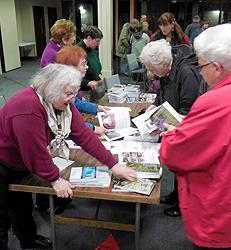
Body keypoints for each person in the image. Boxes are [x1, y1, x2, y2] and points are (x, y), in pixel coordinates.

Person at [0, 64, 136, 250]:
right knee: (1, 220)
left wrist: (113, 165)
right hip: (3, 163)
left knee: (21, 206)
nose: (72, 99)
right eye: (68, 94)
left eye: (74, 93)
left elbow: (84, 136)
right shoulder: (28, 108)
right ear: (50, 90)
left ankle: (28, 240)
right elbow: (35, 152)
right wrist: (55, 179)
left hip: (19, 162)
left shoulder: (61, 104)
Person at [160, 23, 231, 249]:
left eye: (200, 66)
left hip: (222, 215)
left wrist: (172, 135)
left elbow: (174, 155)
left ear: (217, 67)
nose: (199, 72)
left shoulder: (215, 102)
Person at [140, 40, 202, 217]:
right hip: (173, 122)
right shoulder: (168, 68)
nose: (150, 74)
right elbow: (164, 96)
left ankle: (183, 204)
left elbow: (188, 111)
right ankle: (176, 195)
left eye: (152, 69)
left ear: (164, 64)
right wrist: (155, 106)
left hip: (185, 126)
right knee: (176, 165)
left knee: (184, 166)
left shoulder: (186, 73)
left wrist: (167, 125)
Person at [55, 45, 107, 136]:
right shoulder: (60, 88)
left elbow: (75, 102)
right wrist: (92, 128)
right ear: (71, 67)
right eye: (83, 64)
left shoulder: (68, 82)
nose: (87, 67)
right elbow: (64, 123)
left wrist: (97, 108)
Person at [77, 26, 105, 100]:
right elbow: (74, 76)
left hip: (94, 89)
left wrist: (99, 74)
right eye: (97, 41)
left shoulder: (92, 50)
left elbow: (97, 67)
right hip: (83, 92)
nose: (98, 44)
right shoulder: (78, 51)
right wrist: (87, 82)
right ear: (89, 38)